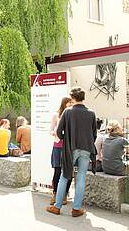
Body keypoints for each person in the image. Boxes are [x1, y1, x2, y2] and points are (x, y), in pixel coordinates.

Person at [47, 87, 97, 217]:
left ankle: (57, 207)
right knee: (81, 177)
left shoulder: (67, 112)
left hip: (71, 149)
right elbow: (94, 134)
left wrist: (67, 139)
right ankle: (76, 209)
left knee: (65, 175)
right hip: (86, 149)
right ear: (83, 97)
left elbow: (59, 132)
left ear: (72, 97)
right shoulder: (91, 113)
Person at [49, 97, 73, 206]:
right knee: (57, 171)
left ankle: (64, 195)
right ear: (64, 103)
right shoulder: (56, 115)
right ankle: (55, 193)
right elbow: (50, 130)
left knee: (68, 171)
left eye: (72, 103)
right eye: (69, 103)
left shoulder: (72, 115)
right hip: (58, 146)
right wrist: (56, 132)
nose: (71, 104)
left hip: (69, 147)